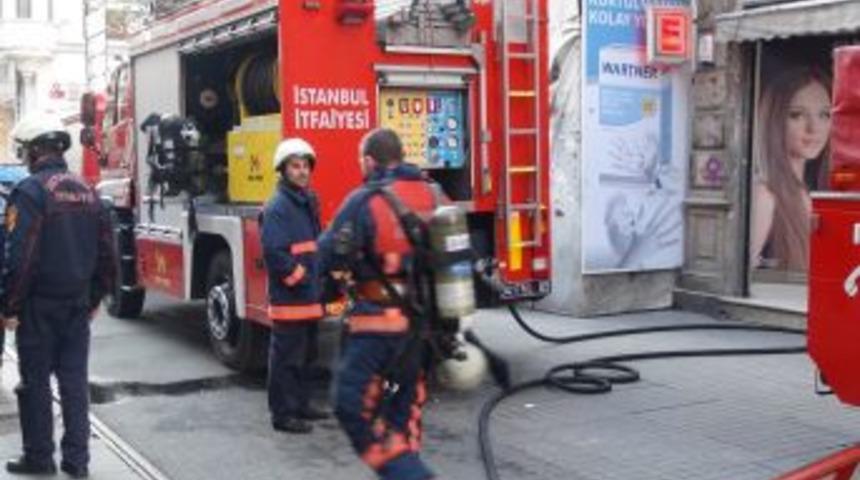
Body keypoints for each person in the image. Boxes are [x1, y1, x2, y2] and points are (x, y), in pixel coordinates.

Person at [319, 128, 441, 480]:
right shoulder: (433, 194)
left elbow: (327, 255)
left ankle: (414, 476)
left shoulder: (364, 200)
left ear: (369, 161)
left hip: (376, 326)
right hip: (421, 328)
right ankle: (407, 467)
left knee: (352, 405)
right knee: (404, 413)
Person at [2, 112, 115, 478]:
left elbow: (21, 256)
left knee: (34, 384)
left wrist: (10, 306)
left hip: (38, 307)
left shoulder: (30, 191)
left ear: (34, 151)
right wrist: (95, 298)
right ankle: (77, 463)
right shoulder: (86, 190)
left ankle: (39, 459)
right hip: (78, 305)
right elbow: (107, 253)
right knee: (74, 383)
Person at [260, 138, 329, 435]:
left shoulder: (307, 201)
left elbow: (313, 244)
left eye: (305, 166)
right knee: (286, 359)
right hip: (291, 298)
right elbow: (274, 253)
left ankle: (302, 405)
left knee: (307, 355)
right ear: (283, 170)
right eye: (295, 166)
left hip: (309, 295)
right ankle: (283, 414)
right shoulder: (278, 207)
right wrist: (300, 278)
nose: (301, 172)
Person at [750, 66, 832, 272]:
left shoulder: (808, 192)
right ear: (774, 120)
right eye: (797, 115)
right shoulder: (765, 196)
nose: (814, 128)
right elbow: (741, 274)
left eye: (824, 115)